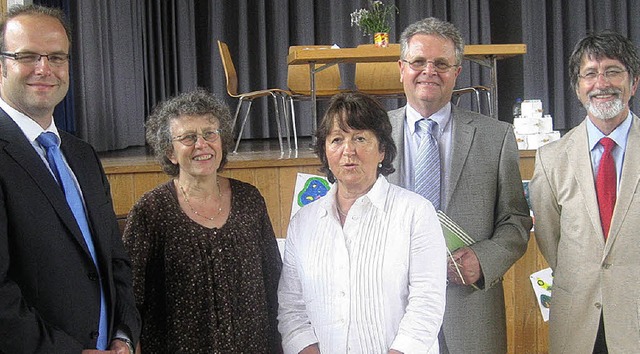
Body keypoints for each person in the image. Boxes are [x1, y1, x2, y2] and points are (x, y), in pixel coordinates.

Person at [386, 17, 533, 353]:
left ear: (457, 71)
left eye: (441, 63)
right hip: (392, 313)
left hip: (470, 313)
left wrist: (483, 260)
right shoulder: (372, 135)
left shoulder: (496, 137)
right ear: (401, 68)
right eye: (419, 62)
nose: (429, 71)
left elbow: (516, 221)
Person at [0, 4, 141, 353]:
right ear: (1, 64)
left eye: (57, 57)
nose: (44, 69)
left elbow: (114, 259)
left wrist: (124, 333)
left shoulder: (82, 156)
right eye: (28, 56)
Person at [278, 92, 447, 354]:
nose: (349, 150)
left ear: (382, 150)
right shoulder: (303, 223)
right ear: (325, 151)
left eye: (360, 138)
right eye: (336, 140)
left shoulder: (416, 213)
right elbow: (292, 308)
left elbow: (427, 305)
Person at [123, 88, 282, 353]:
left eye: (210, 134)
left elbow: (273, 280)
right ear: (170, 152)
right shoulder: (151, 211)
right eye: (188, 138)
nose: (202, 145)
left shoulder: (249, 199)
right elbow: (130, 295)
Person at [530, 31, 640, 353]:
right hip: (576, 324)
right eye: (590, 74)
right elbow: (550, 240)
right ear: (578, 89)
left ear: (633, 83)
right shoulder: (551, 159)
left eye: (613, 71)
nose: (601, 83)